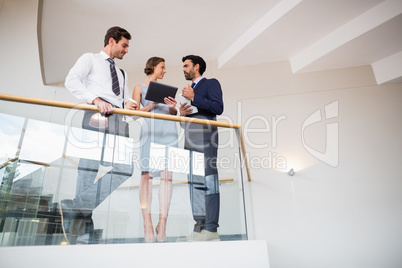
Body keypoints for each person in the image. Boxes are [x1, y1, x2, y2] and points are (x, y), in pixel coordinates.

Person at [63, 26, 134, 244]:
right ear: (111, 41)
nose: (126, 51)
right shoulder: (90, 59)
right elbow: (71, 80)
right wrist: (94, 99)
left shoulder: (122, 73)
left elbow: (124, 99)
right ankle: (84, 224)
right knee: (88, 169)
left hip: (119, 121)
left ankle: (76, 207)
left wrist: (131, 105)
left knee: (125, 168)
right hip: (96, 115)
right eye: (124, 45)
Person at [131, 57, 178, 242]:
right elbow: (134, 114)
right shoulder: (139, 88)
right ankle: (148, 224)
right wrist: (150, 106)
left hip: (168, 134)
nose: (164, 71)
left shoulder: (166, 90)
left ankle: (163, 224)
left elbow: (174, 114)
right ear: (152, 67)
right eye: (162, 67)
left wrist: (173, 108)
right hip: (150, 135)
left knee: (167, 178)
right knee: (146, 178)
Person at [178, 55, 224, 242]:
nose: (183, 69)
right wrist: (182, 114)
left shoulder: (211, 83)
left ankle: (211, 229)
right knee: (194, 182)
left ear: (197, 67)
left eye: (186, 66)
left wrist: (194, 98)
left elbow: (218, 107)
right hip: (190, 137)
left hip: (206, 135)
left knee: (209, 179)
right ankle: (199, 228)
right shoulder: (188, 91)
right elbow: (188, 119)